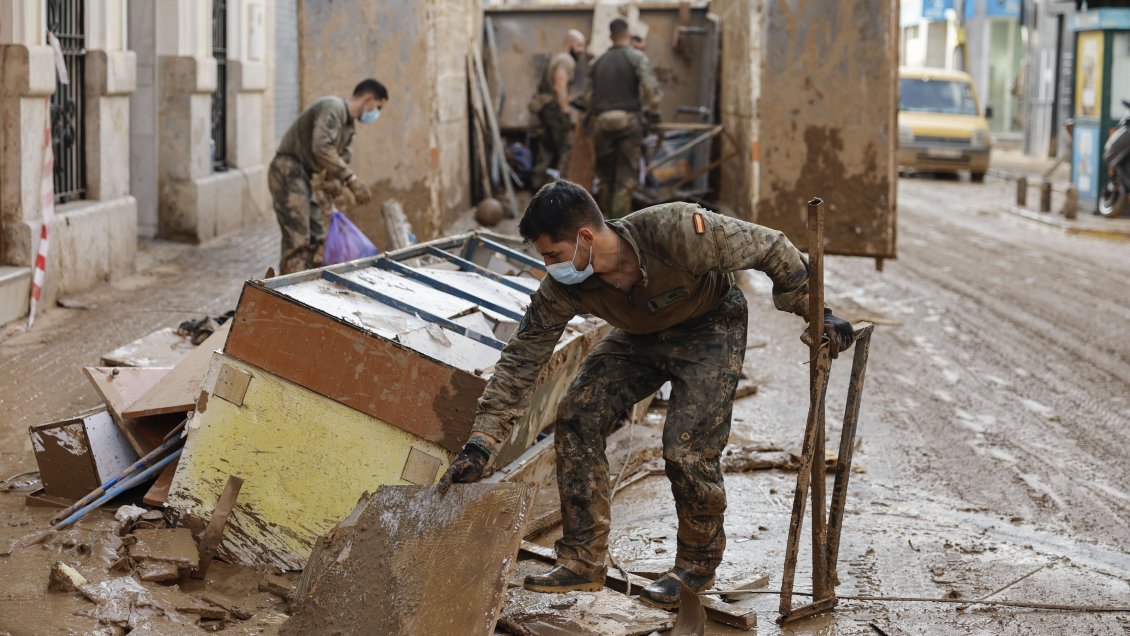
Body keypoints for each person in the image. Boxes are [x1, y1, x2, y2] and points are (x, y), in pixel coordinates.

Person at [438, 181, 855, 609]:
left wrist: (818, 311)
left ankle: (695, 566)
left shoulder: (678, 231)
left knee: (687, 449)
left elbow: (772, 247)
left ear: (585, 237)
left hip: (710, 326)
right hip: (639, 337)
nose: (550, 267)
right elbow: (522, 358)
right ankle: (583, 561)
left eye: (553, 255)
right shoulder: (564, 287)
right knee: (578, 414)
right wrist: (481, 443)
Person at [269, 79, 388, 275]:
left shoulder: (348, 128)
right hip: (288, 170)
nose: (377, 113)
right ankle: (286, 293)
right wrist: (351, 179)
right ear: (368, 98)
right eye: (378, 107)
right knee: (298, 240)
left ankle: (303, 287)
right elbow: (321, 146)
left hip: (305, 177)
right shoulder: (333, 107)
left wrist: (335, 182)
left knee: (316, 236)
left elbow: (338, 159)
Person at [586, 18, 661, 219]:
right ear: (628, 35)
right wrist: (651, 110)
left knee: (605, 179)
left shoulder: (596, 63)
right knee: (625, 180)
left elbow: (587, 99)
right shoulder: (636, 58)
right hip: (629, 123)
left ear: (610, 36)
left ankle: (605, 224)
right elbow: (651, 92)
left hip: (602, 124)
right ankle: (619, 228)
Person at [530, 30, 587, 190]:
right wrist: (566, 110)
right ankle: (563, 189)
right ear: (570, 44)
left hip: (545, 107)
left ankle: (537, 185)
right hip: (554, 108)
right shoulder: (566, 59)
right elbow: (559, 84)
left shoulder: (557, 56)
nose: (582, 50)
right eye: (579, 45)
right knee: (566, 146)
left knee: (547, 146)